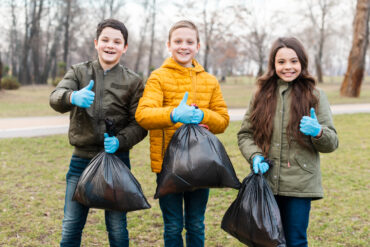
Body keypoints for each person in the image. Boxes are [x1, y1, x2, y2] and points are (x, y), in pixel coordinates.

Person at [49, 18, 147, 247]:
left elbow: (140, 124)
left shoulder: (133, 81)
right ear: (96, 43)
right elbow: (55, 97)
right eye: (105, 40)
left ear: (125, 47)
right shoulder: (79, 72)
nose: (110, 45)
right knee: (71, 223)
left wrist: (120, 141)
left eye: (116, 41)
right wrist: (72, 97)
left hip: (117, 161)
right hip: (80, 161)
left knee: (117, 226)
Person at [135, 20, 229, 247]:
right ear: (169, 45)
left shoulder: (209, 80)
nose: (183, 46)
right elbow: (144, 115)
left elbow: (223, 120)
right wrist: (174, 114)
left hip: (201, 163)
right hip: (169, 166)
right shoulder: (158, 77)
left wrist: (203, 116)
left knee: (196, 223)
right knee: (173, 225)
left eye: (189, 42)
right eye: (178, 41)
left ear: (198, 46)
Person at [237, 37, 338, 247]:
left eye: (294, 61)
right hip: (266, 182)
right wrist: (255, 156)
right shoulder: (260, 95)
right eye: (281, 62)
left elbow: (332, 143)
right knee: (267, 241)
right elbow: (245, 134)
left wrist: (318, 132)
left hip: (300, 185)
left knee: (296, 241)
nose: (288, 67)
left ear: (302, 63)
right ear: (273, 65)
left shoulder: (315, 96)